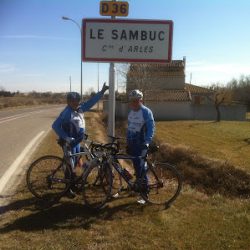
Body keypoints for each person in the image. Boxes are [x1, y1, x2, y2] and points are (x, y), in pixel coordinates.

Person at [52, 83, 109, 197]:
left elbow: (91, 102)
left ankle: (73, 183)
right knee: (70, 165)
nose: (76, 103)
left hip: (77, 141)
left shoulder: (80, 109)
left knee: (76, 162)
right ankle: (68, 190)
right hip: (69, 143)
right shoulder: (67, 112)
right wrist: (66, 137)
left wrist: (101, 92)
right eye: (73, 101)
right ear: (68, 102)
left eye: (77, 100)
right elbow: (55, 125)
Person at [126, 89, 155, 204]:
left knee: (142, 169)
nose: (133, 103)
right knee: (137, 167)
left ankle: (145, 193)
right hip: (132, 144)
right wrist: (128, 143)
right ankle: (139, 188)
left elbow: (151, 128)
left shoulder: (146, 112)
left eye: (136, 101)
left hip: (141, 144)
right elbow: (129, 127)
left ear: (140, 100)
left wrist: (147, 142)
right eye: (132, 101)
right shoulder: (131, 112)